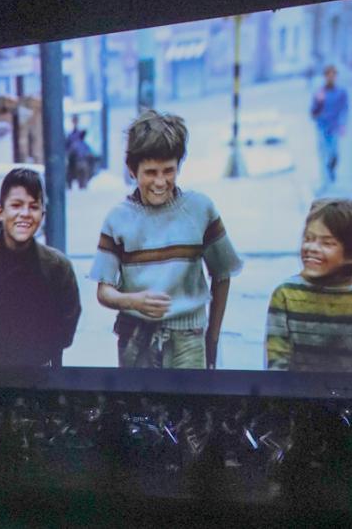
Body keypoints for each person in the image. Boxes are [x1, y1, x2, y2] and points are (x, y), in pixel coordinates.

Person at [89, 110, 242, 369]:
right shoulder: (117, 219)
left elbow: (222, 274)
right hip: (134, 338)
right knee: (139, 408)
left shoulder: (200, 209)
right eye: (150, 172)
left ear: (179, 166)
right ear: (131, 171)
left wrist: (212, 339)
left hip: (190, 339)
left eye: (168, 171)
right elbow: (103, 291)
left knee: (188, 408)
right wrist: (132, 301)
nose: (160, 182)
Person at [0, 168, 81, 367]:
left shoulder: (58, 267)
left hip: (42, 374)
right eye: (16, 205)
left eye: (33, 206)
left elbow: (66, 329)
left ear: (42, 214)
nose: (25, 214)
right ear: (0, 212)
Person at [265, 198, 352, 372]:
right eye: (308, 239)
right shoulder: (286, 294)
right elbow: (277, 361)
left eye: (327, 243)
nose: (312, 247)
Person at [310, 65, 349, 188]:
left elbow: (345, 109)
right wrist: (319, 103)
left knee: (334, 154)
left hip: (335, 127)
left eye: (333, 75)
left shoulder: (341, 93)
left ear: (335, 77)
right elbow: (313, 113)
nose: (331, 77)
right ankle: (325, 181)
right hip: (322, 127)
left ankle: (331, 170)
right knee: (323, 154)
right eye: (328, 75)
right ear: (325, 77)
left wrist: (343, 124)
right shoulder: (319, 93)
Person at [66, 115, 94, 189]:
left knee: (83, 173)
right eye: (74, 120)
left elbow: (88, 151)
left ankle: (83, 184)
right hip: (74, 160)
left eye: (76, 120)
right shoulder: (70, 135)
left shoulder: (80, 137)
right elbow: (69, 149)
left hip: (81, 160)